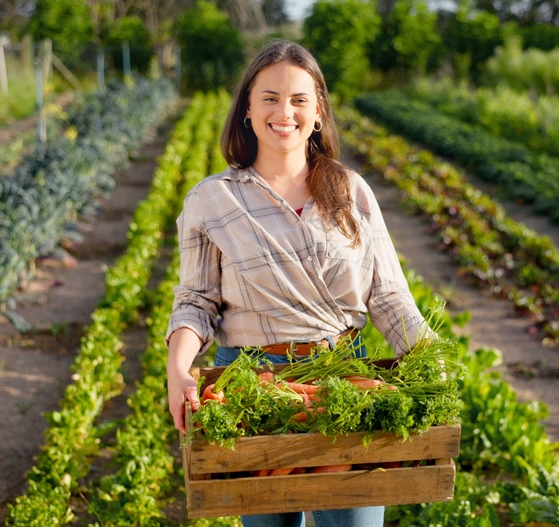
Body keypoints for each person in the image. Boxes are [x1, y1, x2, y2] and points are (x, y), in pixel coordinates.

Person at [165, 40, 431, 527]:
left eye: (298, 99)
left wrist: (429, 357)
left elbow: (388, 295)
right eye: (269, 97)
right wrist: (179, 368)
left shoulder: (349, 190)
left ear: (318, 111)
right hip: (250, 384)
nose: (283, 111)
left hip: (343, 379)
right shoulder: (214, 199)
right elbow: (195, 302)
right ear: (247, 108)